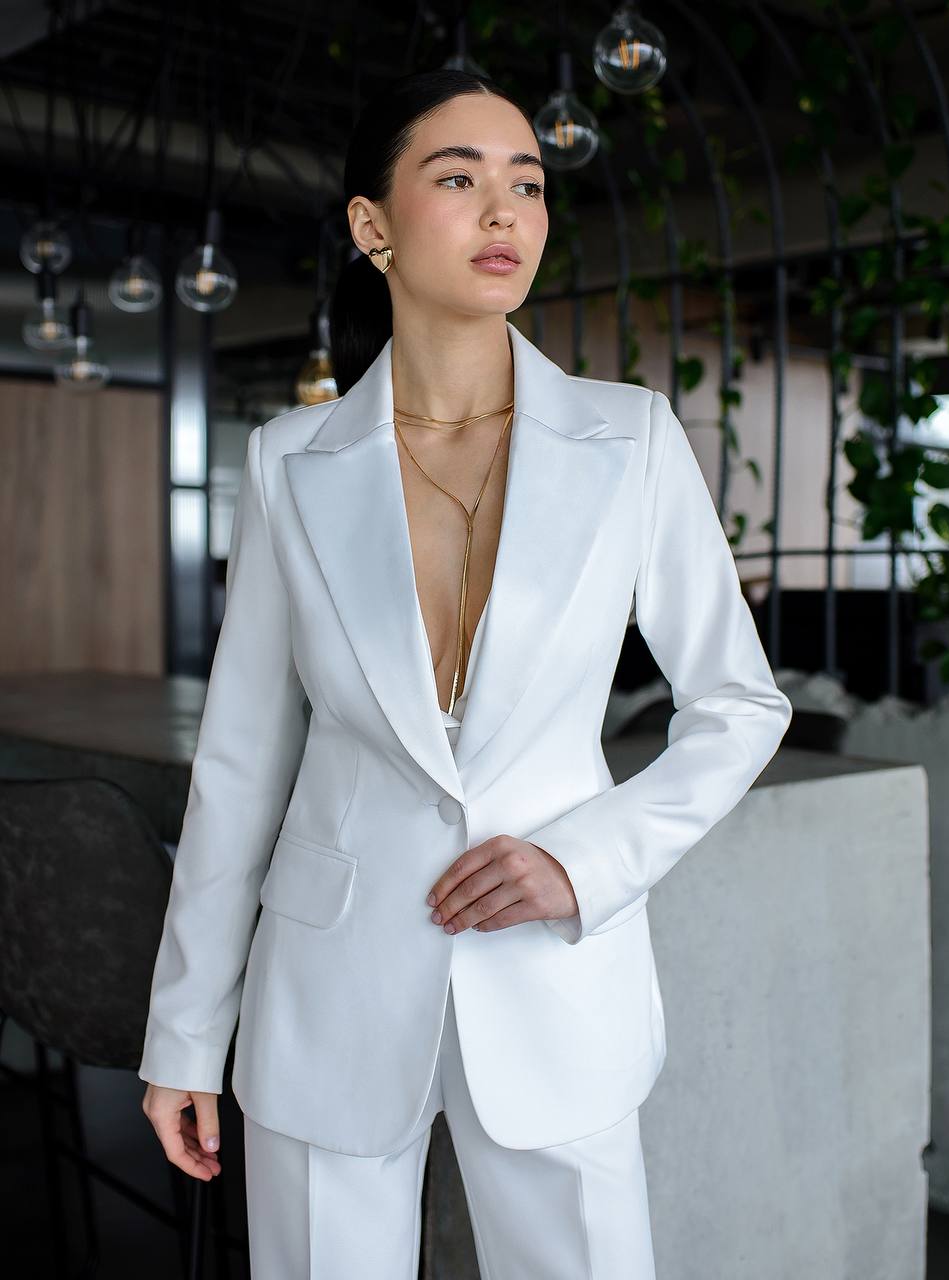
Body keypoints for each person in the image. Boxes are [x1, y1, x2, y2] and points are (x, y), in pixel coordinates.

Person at [139, 67, 792, 1278]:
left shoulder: (629, 437)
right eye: (459, 178)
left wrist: (581, 859)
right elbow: (240, 765)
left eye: (527, 183)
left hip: (558, 978)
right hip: (326, 989)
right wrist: (184, 1032)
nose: (505, 213)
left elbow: (737, 705)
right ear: (371, 224)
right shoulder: (289, 460)